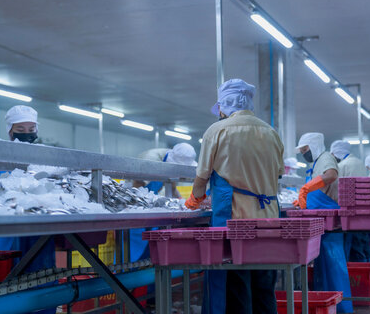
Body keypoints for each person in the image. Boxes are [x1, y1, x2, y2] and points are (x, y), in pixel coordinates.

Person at [184, 79, 284, 314]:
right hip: (268, 218)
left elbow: (202, 176)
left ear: (225, 105)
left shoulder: (217, 130)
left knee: (235, 283)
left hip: (234, 220)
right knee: (264, 283)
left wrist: (195, 199)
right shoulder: (271, 132)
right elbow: (277, 174)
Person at [0, 105, 55, 314]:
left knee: (40, 278)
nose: (26, 134)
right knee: (2, 283)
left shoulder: (45, 158)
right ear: (10, 131)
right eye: (20, 130)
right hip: (3, 229)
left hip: (36, 227)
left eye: (31, 129)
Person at [294, 133, 352, 313]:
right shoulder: (316, 162)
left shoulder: (326, 158)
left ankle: (342, 307)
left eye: (305, 150)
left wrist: (307, 188)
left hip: (329, 222)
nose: (304, 153)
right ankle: (327, 306)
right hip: (320, 221)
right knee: (324, 268)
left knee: (334, 267)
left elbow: (331, 174)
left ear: (314, 146)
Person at [331, 140, 370, 262]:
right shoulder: (360, 163)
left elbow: (336, 190)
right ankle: (367, 275)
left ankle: (357, 278)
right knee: (363, 246)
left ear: (336, 153)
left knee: (354, 248)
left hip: (351, 214)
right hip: (364, 212)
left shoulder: (342, 166)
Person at [133, 143, 197, 197]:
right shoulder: (150, 159)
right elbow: (137, 184)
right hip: (134, 194)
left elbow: (172, 188)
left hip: (151, 196)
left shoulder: (173, 161)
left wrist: (180, 200)